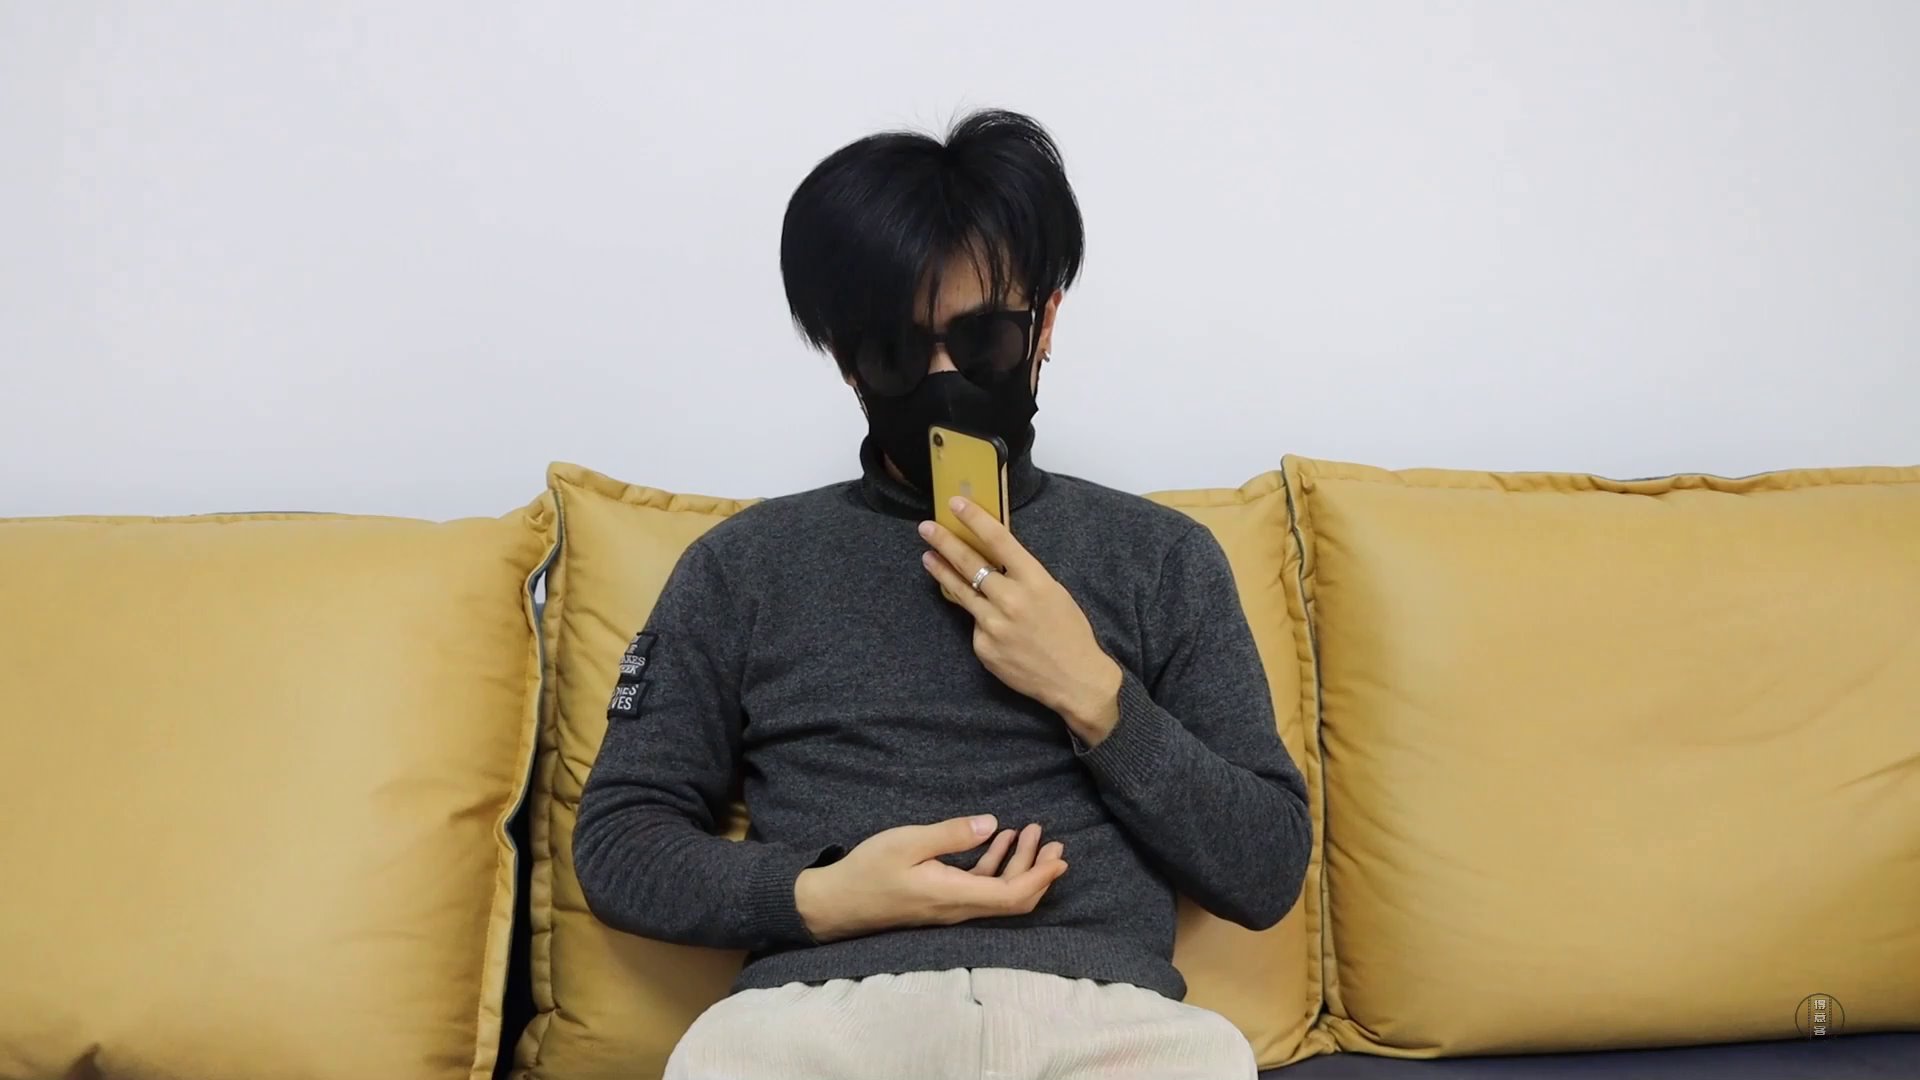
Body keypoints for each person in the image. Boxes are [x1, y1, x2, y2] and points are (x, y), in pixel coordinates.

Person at [573, 108, 1313, 1080]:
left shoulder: (1163, 558)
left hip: (1107, 1021)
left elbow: (1265, 866)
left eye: (985, 338)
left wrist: (1094, 693)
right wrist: (823, 894)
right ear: (848, 362)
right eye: (895, 350)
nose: (945, 379)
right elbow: (620, 839)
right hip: (815, 1021)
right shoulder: (741, 566)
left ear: (1045, 324)